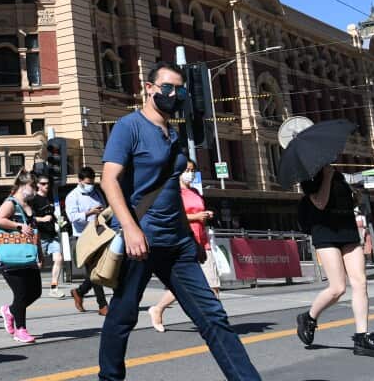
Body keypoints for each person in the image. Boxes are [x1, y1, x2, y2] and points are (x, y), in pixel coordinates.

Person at [97, 62, 260, 381]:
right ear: (149, 88)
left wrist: (191, 239)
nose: (173, 94)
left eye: (179, 90)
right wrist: (130, 228)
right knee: (122, 315)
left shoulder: (174, 135)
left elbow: (171, 191)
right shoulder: (128, 126)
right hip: (141, 241)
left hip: (178, 244)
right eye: (167, 88)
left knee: (213, 317)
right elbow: (109, 180)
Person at [149, 165, 223, 334]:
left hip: (202, 241)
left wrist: (205, 215)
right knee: (184, 284)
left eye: (192, 170)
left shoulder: (196, 192)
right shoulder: (174, 193)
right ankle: (158, 309)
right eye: (186, 170)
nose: (190, 174)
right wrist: (195, 217)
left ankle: (216, 322)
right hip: (186, 241)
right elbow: (174, 216)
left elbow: (199, 213)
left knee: (213, 285)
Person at [0, 171, 43, 344]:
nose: (35, 190)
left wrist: (39, 253)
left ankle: (9, 311)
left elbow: (34, 231)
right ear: (23, 186)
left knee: (36, 291)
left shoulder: (29, 206)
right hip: (11, 257)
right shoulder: (11, 203)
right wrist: (18, 225)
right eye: (33, 186)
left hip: (28, 256)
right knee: (21, 293)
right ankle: (20, 330)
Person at [64, 166, 109, 315]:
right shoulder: (73, 196)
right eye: (88, 183)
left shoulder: (97, 193)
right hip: (82, 237)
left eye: (92, 182)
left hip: (98, 235)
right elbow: (72, 217)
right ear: (80, 181)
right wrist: (90, 212)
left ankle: (79, 291)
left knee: (99, 269)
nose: (90, 186)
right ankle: (102, 305)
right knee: (93, 270)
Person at [31, 176, 65, 299]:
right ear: (37, 185)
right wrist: (42, 219)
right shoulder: (33, 200)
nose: (46, 186)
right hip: (40, 236)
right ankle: (30, 287)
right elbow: (29, 218)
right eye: (43, 183)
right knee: (38, 264)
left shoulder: (50, 199)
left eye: (48, 183)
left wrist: (60, 221)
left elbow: (52, 215)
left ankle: (54, 287)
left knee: (59, 258)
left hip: (52, 235)